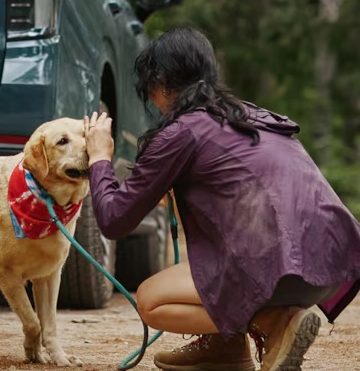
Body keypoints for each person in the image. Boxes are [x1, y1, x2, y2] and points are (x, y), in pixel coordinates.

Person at [83, 27, 360, 371]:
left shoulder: (181, 132)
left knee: (152, 299)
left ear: (159, 81)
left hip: (280, 271)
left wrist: (99, 157)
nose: (151, 99)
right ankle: (225, 348)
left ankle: (273, 323)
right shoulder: (247, 115)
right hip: (328, 264)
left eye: (148, 88)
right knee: (216, 258)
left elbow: (112, 220)